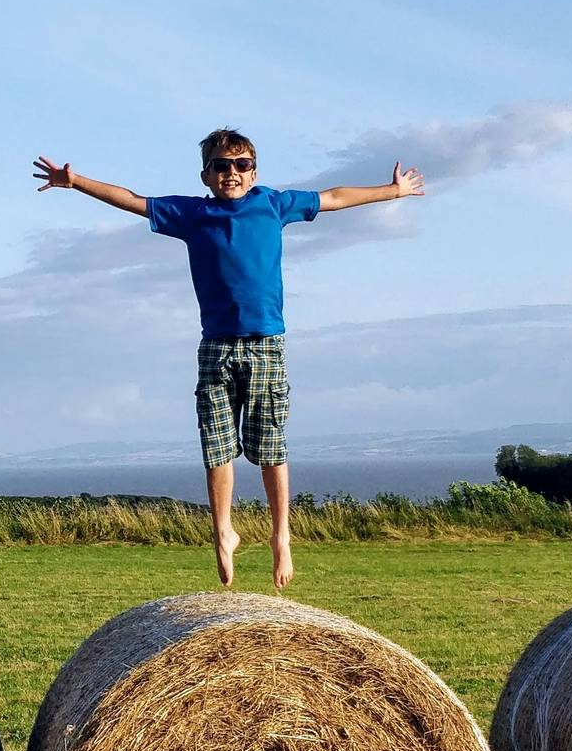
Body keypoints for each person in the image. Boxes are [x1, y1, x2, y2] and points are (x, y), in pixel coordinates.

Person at [32, 129, 424, 588]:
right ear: (206, 174)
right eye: (221, 165)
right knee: (217, 447)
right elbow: (132, 199)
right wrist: (75, 182)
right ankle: (224, 532)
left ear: (253, 171)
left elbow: (335, 196)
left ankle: (282, 536)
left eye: (240, 165)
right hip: (215, 347)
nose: (231, 173)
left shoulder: (273, 204)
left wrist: (392, 191)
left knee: (270, 448)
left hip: (265, 344)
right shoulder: (193, 214)